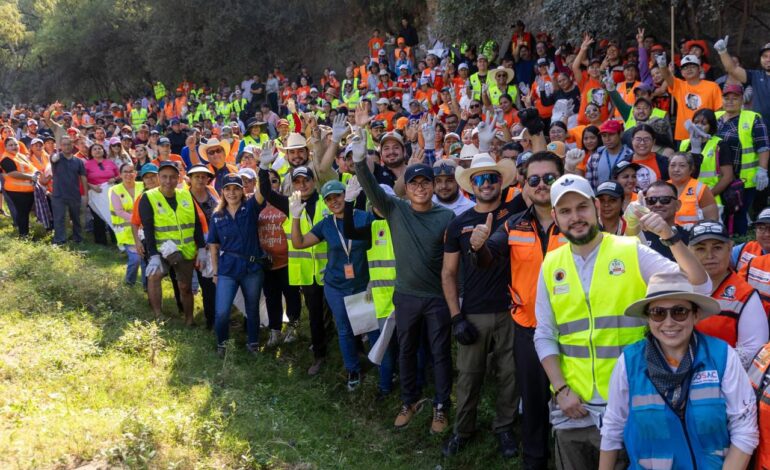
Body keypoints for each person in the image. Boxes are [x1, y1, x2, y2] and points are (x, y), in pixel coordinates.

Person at [534, 174, 711, 470]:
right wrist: (562, 390)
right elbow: (544, 334)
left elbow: (699, 287)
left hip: (632, 402)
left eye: (581, 207)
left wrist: (670, 237)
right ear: (555, 216)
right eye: (565, 211)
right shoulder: (551, 264)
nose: (575, 217)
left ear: (595, 207)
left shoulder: (629, 250)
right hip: (573, 409)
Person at [598, 271, 758, 470]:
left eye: (679, 311)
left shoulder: (722, 356)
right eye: (658, 313)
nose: (668, 322)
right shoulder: (629, 362)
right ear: (648, 318)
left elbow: (744, 429)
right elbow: (613, 427)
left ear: (695, 314)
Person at [353, 128, 456, 434]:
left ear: (434, 186)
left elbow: (453, 264)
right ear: (406, 187)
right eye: (414, 183)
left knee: (440, 354)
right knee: (406, 351)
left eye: (426, 182)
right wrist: (360, 160)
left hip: (437, 297)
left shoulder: (446, 217)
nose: (420, 187)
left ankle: (440, 407)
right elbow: (372, 189)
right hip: (406, 296)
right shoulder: (395, 210)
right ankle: (408, 402)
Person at [470, 151, 565, 468]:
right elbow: (487, 260)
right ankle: (535, 460)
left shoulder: (576, 221)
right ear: (525, 185)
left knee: (574, 403)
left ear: (560, 179)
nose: (541, 185)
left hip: (574, 329)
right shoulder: (513, 224)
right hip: (529, 331)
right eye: (534, 179)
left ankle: (573, 457)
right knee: (535, 404)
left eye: (549, 178)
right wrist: (479, 246)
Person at [288, 178, 377, 390]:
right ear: (325, 203)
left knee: (370, 328)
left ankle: (381, 366)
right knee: (345, 329)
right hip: (335, 285)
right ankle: (352, 370)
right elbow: (299, 243)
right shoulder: (327, 224)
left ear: (345, 194)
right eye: (328, 199)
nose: (334, 201)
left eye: (337, 195)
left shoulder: (365, 218)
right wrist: (295, 217)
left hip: (361, 284)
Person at [258, 159, 329, 375]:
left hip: (330, 270)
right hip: (307, 273)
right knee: (315, 316)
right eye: (297, 181)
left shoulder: (327, 201)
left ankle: (351, 351)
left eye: (305, 180)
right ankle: (319, 355)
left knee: (337, 313)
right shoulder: (290, 205)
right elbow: (267, 193)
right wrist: (263, 168)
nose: (302, 185)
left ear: (313, 181)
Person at [687, 220, 768, 369]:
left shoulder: (745, 295)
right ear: (688, 251)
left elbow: (754, 351)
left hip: (725, 382)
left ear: (730, 248)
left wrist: (704, 363)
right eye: (700, 249)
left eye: (717, 248)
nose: (709, 255)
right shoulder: (677, 285)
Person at [138, 161, 207, 325]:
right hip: (162, 249)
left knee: (185, 287)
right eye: (164, 177)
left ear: (178, 178)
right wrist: (153, 255)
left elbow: (196, 223)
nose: (168, 181)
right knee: (153, 276)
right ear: (158, 178)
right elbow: (147, 228)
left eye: (172, 177)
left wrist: (202, 247)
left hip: (186, 250)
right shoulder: (148, 197)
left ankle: (189, 320)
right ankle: (158, 315)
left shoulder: (186, 195)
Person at [207, 174, 265, 356]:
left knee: (252, 308)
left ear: (242, 190)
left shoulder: (250, 208)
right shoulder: (217, 216)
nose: (232, 193)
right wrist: (215, 273)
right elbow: (214, 247)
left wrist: (263, 167)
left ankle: (253, 343)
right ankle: (222, 344)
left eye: (236, 188)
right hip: (227, 269)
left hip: (251, 268)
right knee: (222, 311)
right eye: (228, 189)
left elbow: (263, 192)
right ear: (222, 192)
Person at [717, 83, 770, 236]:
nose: (730, 101)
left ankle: (738, 243)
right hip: (719, 177)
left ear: (742, 100)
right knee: (722, 212)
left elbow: (764, 146)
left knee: (739, 213)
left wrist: (762, 170)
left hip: (743, 179)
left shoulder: (753, 118)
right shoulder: (716, 118)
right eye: (727, 98)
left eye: (735, 98)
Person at [257, 169, 302, 346]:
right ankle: (274, 330)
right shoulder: (257, 206)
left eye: (274, 181)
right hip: (267, 263)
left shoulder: (287, 204)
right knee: (271, 297)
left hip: (288, 261)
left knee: (292, 295)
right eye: (266, 182)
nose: (270, 185)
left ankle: (293, 326)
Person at [658, 53, 723, 141]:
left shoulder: (713, 86)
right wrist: (662, 65)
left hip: (706, 135)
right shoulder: (679, 86)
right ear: (681, 72)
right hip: (684, 136)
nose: (688, 69)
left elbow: (719, 111)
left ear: (699, 68)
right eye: (685, 68)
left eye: (692, 66)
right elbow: (667, 76)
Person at [679, 108, 735, 209]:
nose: (699, 126)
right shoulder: (684, 144)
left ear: (711, 126)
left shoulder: (719, 144)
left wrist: (708, 196)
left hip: (710, 195)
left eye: (704, 123)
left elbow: (728, 177)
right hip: (686, 196)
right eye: (696, 122)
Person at [188, 164, 219, 330]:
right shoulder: (184, 196)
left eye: (203, 176)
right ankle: (211, 321)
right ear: (190, 179)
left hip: (217, 243)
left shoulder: (212, 192)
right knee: (206, 284)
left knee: (217, 281)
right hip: (198, 247)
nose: (200, 179)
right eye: (196, 176)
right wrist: (200, 246)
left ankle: (220, 316)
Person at [716, 37, 770, 131]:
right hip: (760, 129)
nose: (768, 59)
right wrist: (722, 51)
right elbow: (732, 69)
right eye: (765, 56)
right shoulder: (755, 76)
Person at [109, 163, 144, 285]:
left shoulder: (143, 186)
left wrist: (132, 212)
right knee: (135, 259)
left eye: (131, 171)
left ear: (135, 173)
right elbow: (119, 211)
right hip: (127, 232)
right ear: (120, 174)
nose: (128, 174)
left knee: (145, 259)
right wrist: (138, 218)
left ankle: (147, 286)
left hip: (143, 230)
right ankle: (129, 282)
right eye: (125, 172)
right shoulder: (115, 190)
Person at [50, 136, 87, 244]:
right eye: (64, 144)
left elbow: (83, 177)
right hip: (58, 194)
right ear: (60, 146)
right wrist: (54, 156)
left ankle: (78, 239)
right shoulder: (56, 158)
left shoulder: (78, 161)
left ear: (72, 145)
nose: (66, 146)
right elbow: (52, 159)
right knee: (59, 218)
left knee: (76, 218)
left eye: (68, 144)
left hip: (74, 194)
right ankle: (60, 240)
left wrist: (85, 194)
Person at [666, 152, 718, 229]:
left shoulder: (700, 188)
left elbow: (712, 220)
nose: (676, 169)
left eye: (682, 166)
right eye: (672, 165)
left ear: (691, 169)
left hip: (694, 235)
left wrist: (697, 228)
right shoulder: (662, 187)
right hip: (666, 234)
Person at [0, 137, 37, 237]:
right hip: (16, 190)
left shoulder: (20, 155)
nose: (14, 147)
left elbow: (30, 166)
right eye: (10, 145)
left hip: (27, 189)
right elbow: (13, 173)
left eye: (15, 144)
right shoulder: (6, 158)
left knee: (25, 212)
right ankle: (24, 235)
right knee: (22, 213)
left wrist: (36, 172)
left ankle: (25, 232)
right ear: (6, 147)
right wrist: (31, 177)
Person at [84, 142, 119, 245]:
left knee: (113, 215)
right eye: (94, 149)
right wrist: (92, 186)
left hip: (110, 192)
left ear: (103, 151)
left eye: (99, 148)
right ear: (91, 152)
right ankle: (101, 242)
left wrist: (114, 179)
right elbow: (82, 179)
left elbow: (119, 175)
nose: (97, 150)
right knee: (98, 217)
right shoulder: (87, 164)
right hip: (95, 193)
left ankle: (116, 240)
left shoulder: (110, 162)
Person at [585, 120, 633, 190]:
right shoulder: (594, 158)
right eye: (604, 136)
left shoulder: (630, 156)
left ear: (620, 134)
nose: (607, 139)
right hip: (600, 199)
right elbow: (590, 186)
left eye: (611, 134)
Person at [628, 124, 669, 192]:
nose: (642, 143)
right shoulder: (625, 163)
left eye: (646, 139)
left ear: (653, 141)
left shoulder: (664, 162)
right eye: (638, 139)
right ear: (632, 140)